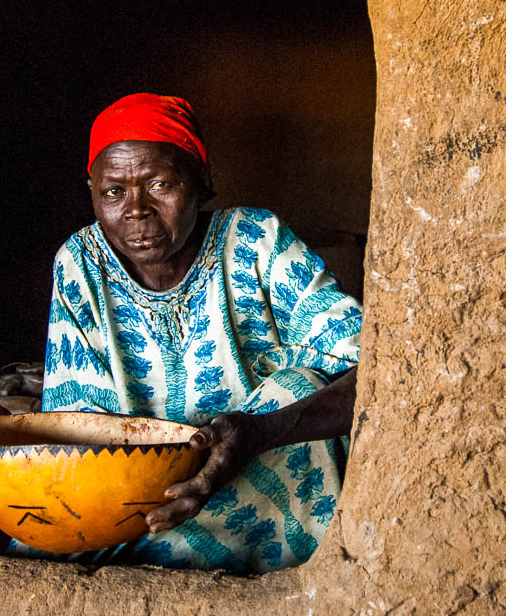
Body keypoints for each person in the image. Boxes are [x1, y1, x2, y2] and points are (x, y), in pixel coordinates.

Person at [31, 92, 361, 573]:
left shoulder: (255, 239)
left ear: (203, 180)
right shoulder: (81, 262)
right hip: (130, 499)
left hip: (261, 474)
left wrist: (262, 431)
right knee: (40, 544)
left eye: (160, 183)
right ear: (91, 192)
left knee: (299, 387)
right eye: (113, 192)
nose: (137, 210)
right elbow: (72, 423)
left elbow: (379, 373)